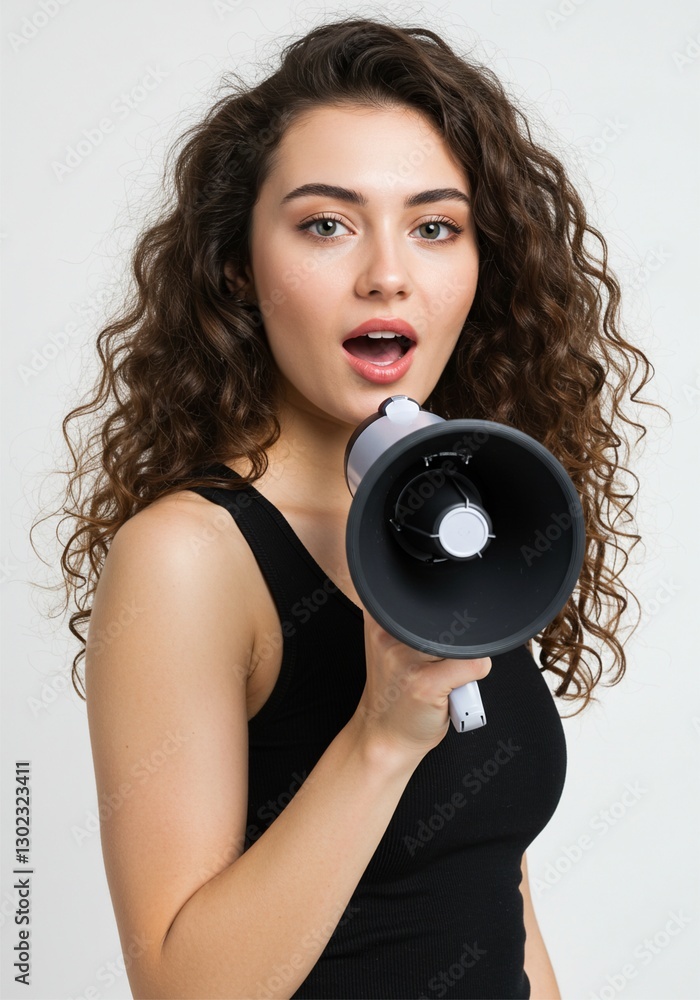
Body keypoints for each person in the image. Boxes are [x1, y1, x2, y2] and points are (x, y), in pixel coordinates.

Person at [42, 15, 661, 999]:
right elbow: (181, 988)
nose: (387, 272)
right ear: (237, 265)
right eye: (325, 223)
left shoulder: (468, 505)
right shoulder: (188, 557)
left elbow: (496, 896)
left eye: (434, 225)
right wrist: (381, 732)